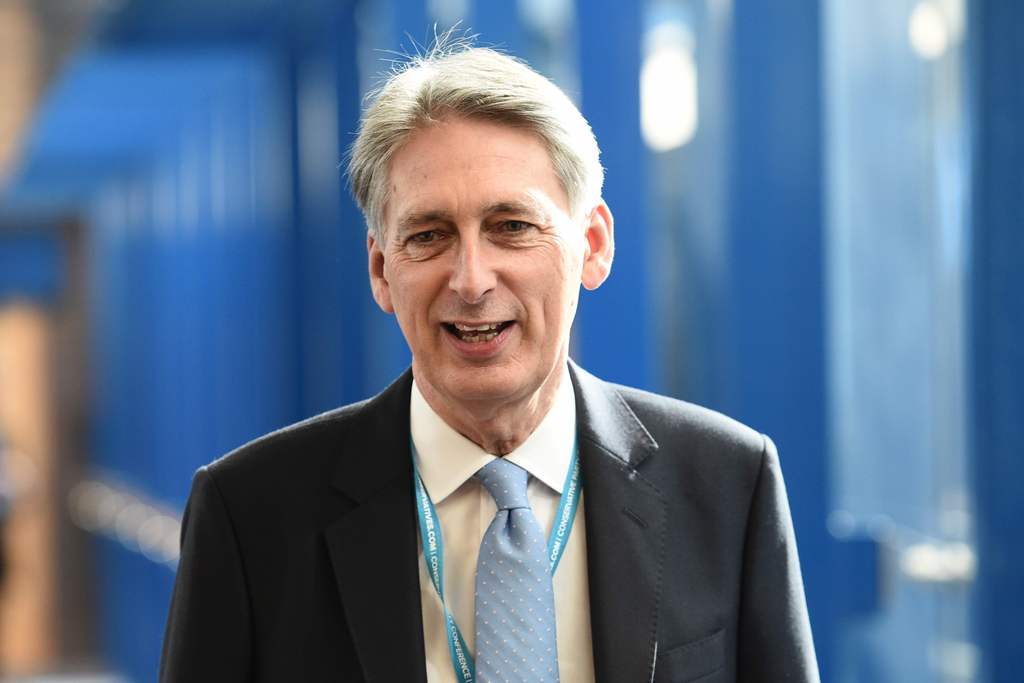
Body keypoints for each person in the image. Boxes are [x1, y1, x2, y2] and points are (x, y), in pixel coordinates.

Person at [160, 40, 819, 683]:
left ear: (592, 245)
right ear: (381, 269)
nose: (471, 280)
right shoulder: (251, 515)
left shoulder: (727, 483)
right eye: (429, 235)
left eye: (512, 227)